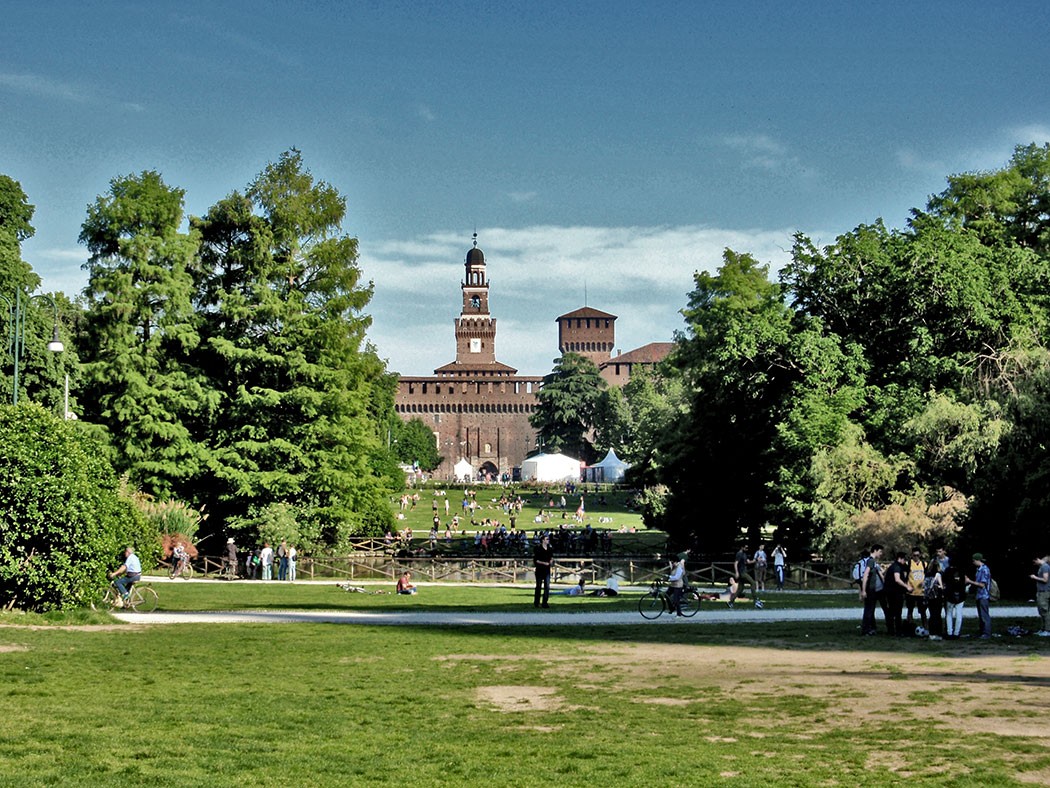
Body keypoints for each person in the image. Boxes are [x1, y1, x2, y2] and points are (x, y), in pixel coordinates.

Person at [965, 553, 992, 639]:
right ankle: (982, 632)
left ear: (977, 560)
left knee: (984, 615)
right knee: (981, 615)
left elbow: (982, 584)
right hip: (979, 595)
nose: (973, 563)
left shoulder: (984, 570)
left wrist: (970, 581)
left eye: (973, 561)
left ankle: (987, 633)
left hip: (983, 595)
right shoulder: (979, 569)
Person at [860, 544, 884, 636]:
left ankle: (869, 628)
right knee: (869, 610)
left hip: (872, 589)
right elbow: (865, 575)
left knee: (870, 609)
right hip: (870, 589)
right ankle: (866, 630)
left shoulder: (873, 562)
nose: (881, 554)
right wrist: (864, 590)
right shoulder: (870, 561)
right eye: (880, 551)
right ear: (875, 550)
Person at [885, 552, 910, 636]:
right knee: (897, 612)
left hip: (892, 592)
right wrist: (907, 587)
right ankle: (897, 630)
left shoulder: (894, 566)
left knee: (892, 612)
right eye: (904, 559)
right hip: (894, 593)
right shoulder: (896, 567)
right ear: (900, 558)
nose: (905, 561)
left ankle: (891, 630)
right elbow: (897, 579)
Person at [942, 561, 967, 639]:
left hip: (950, 594)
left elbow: (944, 581)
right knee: (959, 614)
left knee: (949, 614)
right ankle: (957, 633)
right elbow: (965, 581)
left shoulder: (947, 570)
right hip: (961, 594)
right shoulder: (962, 570)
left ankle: (949, 632)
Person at [905, 547, 928, 629]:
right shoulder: (909, 564)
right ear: (912, 555)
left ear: (920, 555)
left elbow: (927, 576)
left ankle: (925, 627)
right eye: (914, 555)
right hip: (911, 592)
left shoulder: (924, 564)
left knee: (923, 611)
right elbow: (905, 575)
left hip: (921, 592)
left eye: (917, 555)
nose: (916, 557)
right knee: (910, 610)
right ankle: (909, 627)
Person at [923, 557, 945, 639]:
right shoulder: (938, 574)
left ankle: (931, 633)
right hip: (937, 596)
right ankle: (938, 633)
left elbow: (924, 586)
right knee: (937, 615)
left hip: (929, 597)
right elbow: (941, 586)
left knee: (932, 615)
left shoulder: (927, 575)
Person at [1031, 554, 1050, 636]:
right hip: (1040, 592)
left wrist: (1035, 577)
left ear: (1037, 559)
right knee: (1041, 611)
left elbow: (1045, 579)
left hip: (1044, 592)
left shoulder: (1045, 567)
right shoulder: (1042, 567)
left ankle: (1047, 630)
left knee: (1045, 611)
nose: (1034, 564)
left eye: (1034, 562)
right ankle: (1043, 629)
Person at [533, 532, 553, 608]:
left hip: (547, 570)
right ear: (543, 540)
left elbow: (551, 557)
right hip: (539, 570)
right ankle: (537, 602)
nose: (548, 540)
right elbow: (536, 560)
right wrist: (544, 563)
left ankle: (545, 602)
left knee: (547, 587)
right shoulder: (538, 549)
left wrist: (551, 561)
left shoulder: (550, 549)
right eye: (547, 539)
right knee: (538, 586)